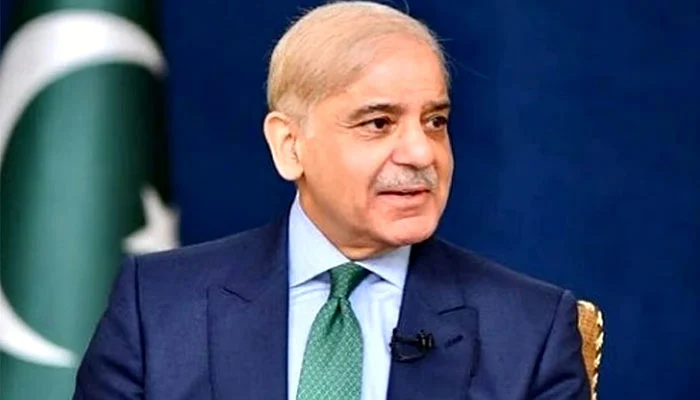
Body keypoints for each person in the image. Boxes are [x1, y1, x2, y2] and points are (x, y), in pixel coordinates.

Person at [74, 1, 590, 399]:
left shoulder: (530, 331)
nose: (421, 152)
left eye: (435, 121)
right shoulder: (158, 306)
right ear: (289, 145)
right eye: (379, 123)